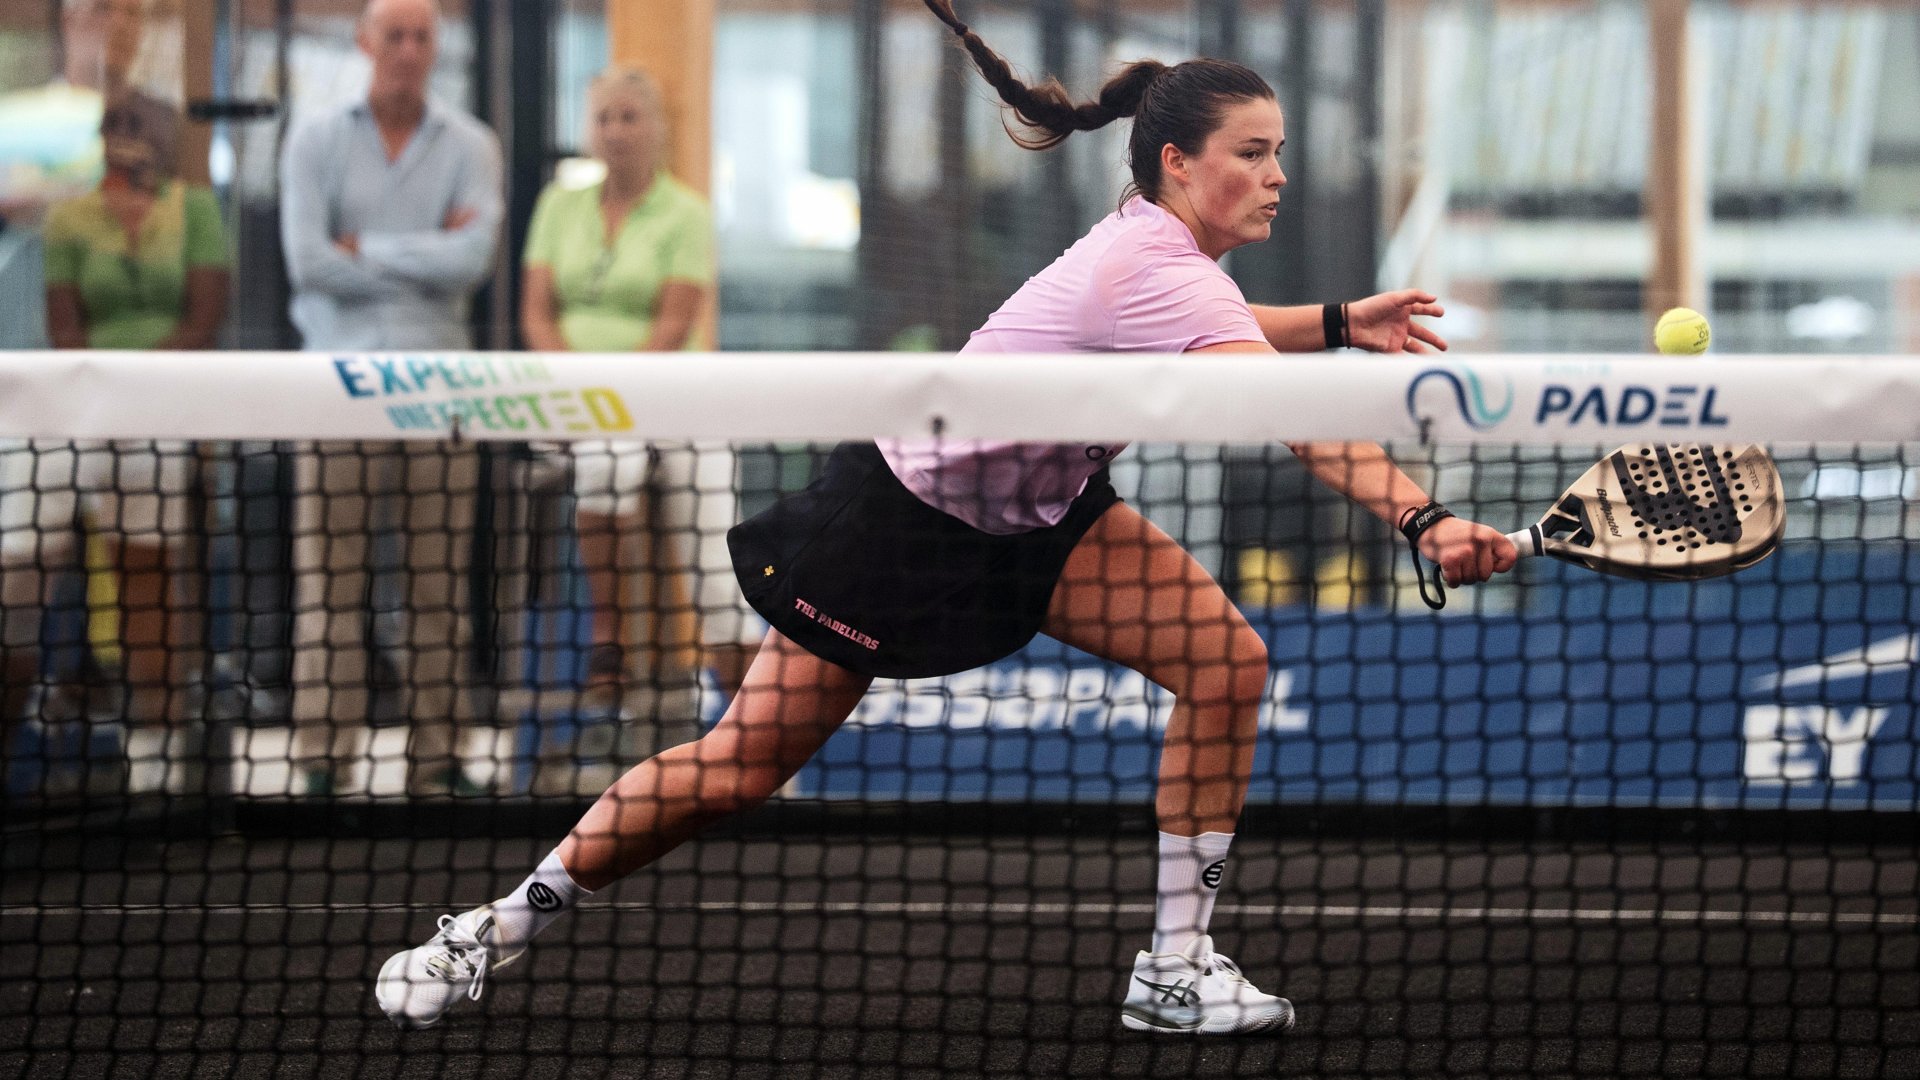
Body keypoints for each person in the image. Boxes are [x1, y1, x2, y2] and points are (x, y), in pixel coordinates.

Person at [376, 0, 1516, 1035]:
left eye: (1279, 153)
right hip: (906, 523)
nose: (1277, 175)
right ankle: (494, 926)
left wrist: (1329, 318)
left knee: (1227, 665)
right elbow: (1290, 417)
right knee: (737, 767)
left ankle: (1176, 966)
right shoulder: (1157, 265)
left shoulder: (1163, 249)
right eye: (1252, 154)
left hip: (1045, 512)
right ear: (1178, 163)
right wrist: (1422, 520)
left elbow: (1219, 327)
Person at [278, 0, 502, 797]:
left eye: (423, 36)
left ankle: (439, 760)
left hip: (442, 390)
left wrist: (364, 247)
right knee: (330, 589)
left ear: (435, 48)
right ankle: (319, 760)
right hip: (335, 389)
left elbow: (472, 260)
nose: (408, 50)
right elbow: (307, 263)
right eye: (394, 35)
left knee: (437, 586)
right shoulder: (313, 140)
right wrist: (423, 253)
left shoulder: (473, 145)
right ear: (366, 42)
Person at [519, 66, 761, 731]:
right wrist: (579, 390)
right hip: (575, 406)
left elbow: (674, 324)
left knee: (718, 555)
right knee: (606, 463)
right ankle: (609, 646)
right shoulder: (557, 206)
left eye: (630, 117)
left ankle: (751, 716)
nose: (617, 131)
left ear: (656, 129)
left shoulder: (688, 214)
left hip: (675, 400)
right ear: (589, 130)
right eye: (604, 118)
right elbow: (536, 312)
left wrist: (617, 393)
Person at [2, 87, 226, 775]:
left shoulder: (196, 210)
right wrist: (107, 387)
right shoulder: (72, 217)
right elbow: (64, 322)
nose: (127, 136)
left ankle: (156, 756)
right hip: (76, 411)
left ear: (164, 138)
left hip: (161, 414)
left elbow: (203, 315)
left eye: (140, 125)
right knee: (20, 566)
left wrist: (141, 381)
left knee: (148, 573)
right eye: (116, 125)